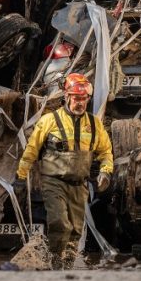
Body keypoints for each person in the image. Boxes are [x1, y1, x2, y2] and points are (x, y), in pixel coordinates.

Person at [15, 72, 113, 267]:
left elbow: (106, 152)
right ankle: (54, 263)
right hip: (54, 182)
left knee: (76, 231)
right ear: (66, 97)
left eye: (84, 99)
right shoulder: (49, 121)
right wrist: (20, 175)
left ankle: (65, 269)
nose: (80, 103)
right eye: (76, 98)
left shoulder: (94, 125)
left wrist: (105, 171)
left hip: (79, 186)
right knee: (60, 223)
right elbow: (32, 149)